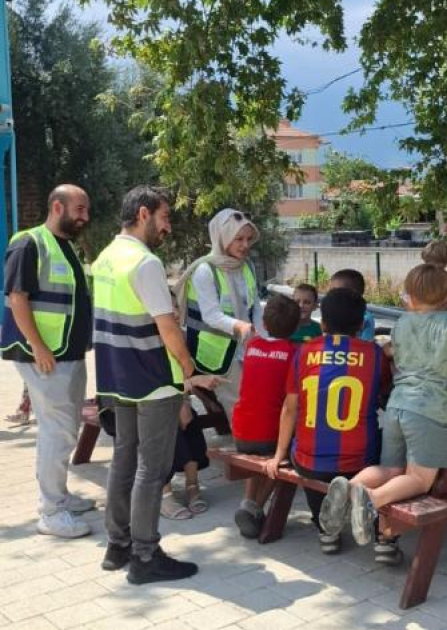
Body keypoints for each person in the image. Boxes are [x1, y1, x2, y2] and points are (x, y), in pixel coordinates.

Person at [318, 263, 447, 563]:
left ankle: (351, 486)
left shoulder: (403, 322)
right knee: (420, 479)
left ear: (410, 296)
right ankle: (370, 499)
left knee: (391, 470)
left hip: (397, 405)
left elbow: (393, 355)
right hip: (428, 410)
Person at [92, 185, 198, 584]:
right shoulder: (146, 262)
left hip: (117, 375)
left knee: (124, 459)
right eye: (165, 217)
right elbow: (167, 326)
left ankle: (117, 545)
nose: (167, 227)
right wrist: (188, 367)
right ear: (143, 214)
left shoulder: (105, 257)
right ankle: (145, 555)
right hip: (154, 378)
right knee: (152, 471)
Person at [1, 184, 95, 538]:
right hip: (45, 356)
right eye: (80, 209)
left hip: (66, 353)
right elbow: (17, 298)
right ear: (58, 207)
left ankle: (59, 496)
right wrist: (39, 346)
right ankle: (51, 512)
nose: (85, 217)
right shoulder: (28, 243)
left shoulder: (65, 245)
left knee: (63, 429)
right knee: (58, 430)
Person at [267, 288, 390, 555]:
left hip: (310, 462)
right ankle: (384, 534)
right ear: (361, 325)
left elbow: (290, 408)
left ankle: (326, 530)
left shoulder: (304, 352)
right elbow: (384, 394)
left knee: (308, 451)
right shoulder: (374, 354)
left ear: (322, 323)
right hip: (361, 461)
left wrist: (278, 454)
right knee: (391, 453)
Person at [175, 208, 264, 423]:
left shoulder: (247, 266)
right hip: (217, 352)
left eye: (248, 239)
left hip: (246, 344)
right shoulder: (205, 270)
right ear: (222, 237)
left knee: (254, 398)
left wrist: (264, 338)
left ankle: (251, 438)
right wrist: (240, 326)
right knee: (239, 404)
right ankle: (245, 441)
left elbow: (255, 307)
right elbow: (211, 315)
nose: (245, 245)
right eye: (238, 239)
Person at [231, 293, 301, 537]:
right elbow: (292, 403)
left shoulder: (252, 346)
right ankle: (257, 508)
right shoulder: (293, 353)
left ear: (264, 322)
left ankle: (247, 501)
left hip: (241, 431)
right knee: (282, 456)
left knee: (256, 453)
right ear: (296, 326)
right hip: (271, 435)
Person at [329, 269, 376, 340]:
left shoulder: (366, 318)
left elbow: (366, 342)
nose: (332, 296)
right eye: (331, 291)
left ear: (356, 295)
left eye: (337, 293)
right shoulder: (331, 314)